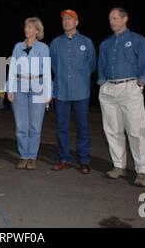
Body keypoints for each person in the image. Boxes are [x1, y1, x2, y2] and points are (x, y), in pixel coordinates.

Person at [98, 7, 145, 187]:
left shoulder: (137, 39)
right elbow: (101, 65)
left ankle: (142, 171)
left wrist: (142, 82)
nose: (112, 21)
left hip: (129, 87)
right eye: (110, 18)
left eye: (115, 18)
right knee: (112, 130)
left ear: (125, 18)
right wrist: (102, 83)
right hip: (109, 89)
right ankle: (118, 166)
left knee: (136, 130)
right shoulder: (105, 43)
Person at [50, 10, 96, 174]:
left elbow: (91, 65)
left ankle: (83, 160)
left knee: (82, 127)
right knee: (62, 127)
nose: (66, 22)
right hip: (61, 91)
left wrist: (79, 78)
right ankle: (64, 159)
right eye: (64, 19)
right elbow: (54, 66)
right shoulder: (55, 43)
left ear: (77, 22)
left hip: (81, 91)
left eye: (70, 19)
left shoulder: (86, 42)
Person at [7, 17, 52, 170]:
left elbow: (46, 71)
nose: (27, 30)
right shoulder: (18, 47)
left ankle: (32, 157)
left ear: (37, 31)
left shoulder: (44, 48)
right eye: (26, 27)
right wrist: (10, 89)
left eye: (31, 27)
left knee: (35, 126)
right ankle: (23, 156)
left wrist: (48, 93)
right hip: (19, 87)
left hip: (38, 87)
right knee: (21, 126)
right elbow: (12, 68)